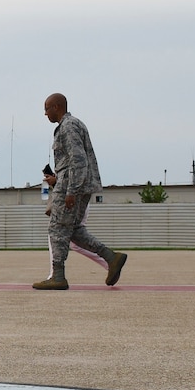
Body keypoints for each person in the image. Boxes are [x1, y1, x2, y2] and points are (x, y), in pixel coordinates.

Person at [35, 93, 128, 290]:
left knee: (57, 228)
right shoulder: (74, 124)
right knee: (74, 231)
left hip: (71, 186)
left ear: (57, 107)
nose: (45, 113)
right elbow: (73, 162)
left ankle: (58, 277)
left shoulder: (68, 126)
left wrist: (71, 191)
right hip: (76, 183)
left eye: (47, 108)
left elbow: (78, 160)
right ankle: (112, 258)